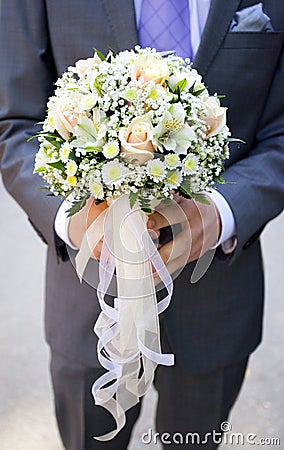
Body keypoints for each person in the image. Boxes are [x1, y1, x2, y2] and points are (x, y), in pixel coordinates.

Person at [0, 1, 283, 449]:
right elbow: (14, 122)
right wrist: (78, 223)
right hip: (86, 296)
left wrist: (219, 212)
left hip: (219, 301)